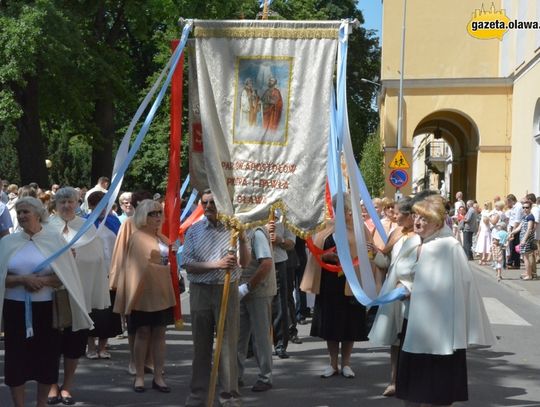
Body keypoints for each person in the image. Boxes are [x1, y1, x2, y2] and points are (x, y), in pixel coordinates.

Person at [395, 195, 495, 406]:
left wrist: (419, 290)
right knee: (412, 384)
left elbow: (460, 287)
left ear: (438, 223)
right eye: (416, 216)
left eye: (425, 218)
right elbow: (402, 273)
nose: (418, 222)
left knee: (438, 386)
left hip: (441, 329)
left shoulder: (449, 247)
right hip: (413, 322)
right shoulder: (412, 242)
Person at [0, 197, 92, 407]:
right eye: (20, 212)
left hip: (47, 309)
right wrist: (22, 279)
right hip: (15, 310)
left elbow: (66, 276)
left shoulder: (55, 240)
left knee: (47, 358)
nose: (22, 216)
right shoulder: (7, 243)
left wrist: (42, 280)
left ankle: (42, 403)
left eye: (26, 212)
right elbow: (0, 277)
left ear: (38, 214)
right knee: (16, 359)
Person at [182, 189, 250, 407]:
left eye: (213, 201)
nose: (209, 206)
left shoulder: (234, 229)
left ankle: (230, 396)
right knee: (201, 345)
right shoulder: (193, 231)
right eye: (205, 202)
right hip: (201, 290)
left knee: (228, 345)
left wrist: (241, 239)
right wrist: (217, 265)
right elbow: (188, 264)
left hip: (226, 289)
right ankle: (198, 395)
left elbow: (245, 262)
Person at [48, 187, 110, 405]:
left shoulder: (86, 227)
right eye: (62, 202)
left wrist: (76, 259)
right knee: (51, 344)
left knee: (74, 345)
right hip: (52, 297)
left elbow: (96, 260)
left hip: (79, 296)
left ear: (77, 203)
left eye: (70, 202)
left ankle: (67, 386)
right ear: (55, 205)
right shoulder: (46, 227)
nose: (66, 206)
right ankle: (52, 385)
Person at [301, 193, 369, 379]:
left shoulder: (358, 227)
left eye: (344, 206)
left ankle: (346, 363)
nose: (340, 210)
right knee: (331, 323)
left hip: (351, 281)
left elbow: (368, 249)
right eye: (336, 206)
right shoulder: (325, 227)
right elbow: (315, 253)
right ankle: (332, 363)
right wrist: (326, 257)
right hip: (329, 281)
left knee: (350, 322)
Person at [113, 199, 176, 393]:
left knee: (160, 334)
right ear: (143, 216)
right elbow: (136, 269)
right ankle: (139, 375)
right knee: (142, 333)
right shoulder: (137, 237)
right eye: (152, 214)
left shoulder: (163, 238)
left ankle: (158, 375)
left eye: (159, 213)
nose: (157, 217)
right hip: (142, 294)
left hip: (162, 294)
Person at [369, 196, 421, 397]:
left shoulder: (420, 236)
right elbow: (386, 262)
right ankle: (394, 381)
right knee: (395, 340)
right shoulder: (395, 232)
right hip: (395, 294)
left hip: (411, 294)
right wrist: (373, 253)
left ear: (410, 216)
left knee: (411, 339)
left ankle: (413, 382)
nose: (394, 215)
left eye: (398, 212)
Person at [237, 226, 276, 392]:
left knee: (261, 336)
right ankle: (235, 375)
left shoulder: (256, 232)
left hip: (258, 291)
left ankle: (265, 376)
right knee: (237, 336)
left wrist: (247, 287)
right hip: (240, 290)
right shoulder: (237, 230)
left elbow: (266, 264)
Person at [84, 191, 123, 359]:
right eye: (96, 205)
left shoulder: (114, 221)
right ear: (91, 206)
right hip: (91, 273)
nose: (101, 209)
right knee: (92, 310)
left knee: (109, 311)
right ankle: (90, 345)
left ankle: (103, 346)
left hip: (111, 272)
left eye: (104, 205)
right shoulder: (83, 223)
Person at [267, 214, 296, 359]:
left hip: (278, 263)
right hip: (256, 263)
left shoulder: (284, 215)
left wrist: (280, 240)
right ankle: (251, 345)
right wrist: (263, 234)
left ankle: (280, 344)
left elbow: (291, 243)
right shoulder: (253, 210)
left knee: (279, 305)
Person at [509, 200, 537, 280]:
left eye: (527, 207)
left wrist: (524, 239)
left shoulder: (530, 217)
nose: (525, 209)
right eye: (523, 207)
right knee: (524, 257)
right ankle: (527, 272)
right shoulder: (525, 216)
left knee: (526, 257)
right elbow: (519, 227)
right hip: (523, 238)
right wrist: (511, 233)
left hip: (527, 239)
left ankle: (529, 275)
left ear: (530, 208)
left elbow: (529, 229)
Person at [506, 194, 523, 269]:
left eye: (508, 202)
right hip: (513, 227)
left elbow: (517, 220)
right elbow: (511, 219)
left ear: (511, 200)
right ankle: (514, 262)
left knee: (515, 246)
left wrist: (513, 231)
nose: (507, 204)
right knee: (512, 246)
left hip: (516, 228)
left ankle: (514, 263)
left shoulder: (518, 206)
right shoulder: (514, 206)